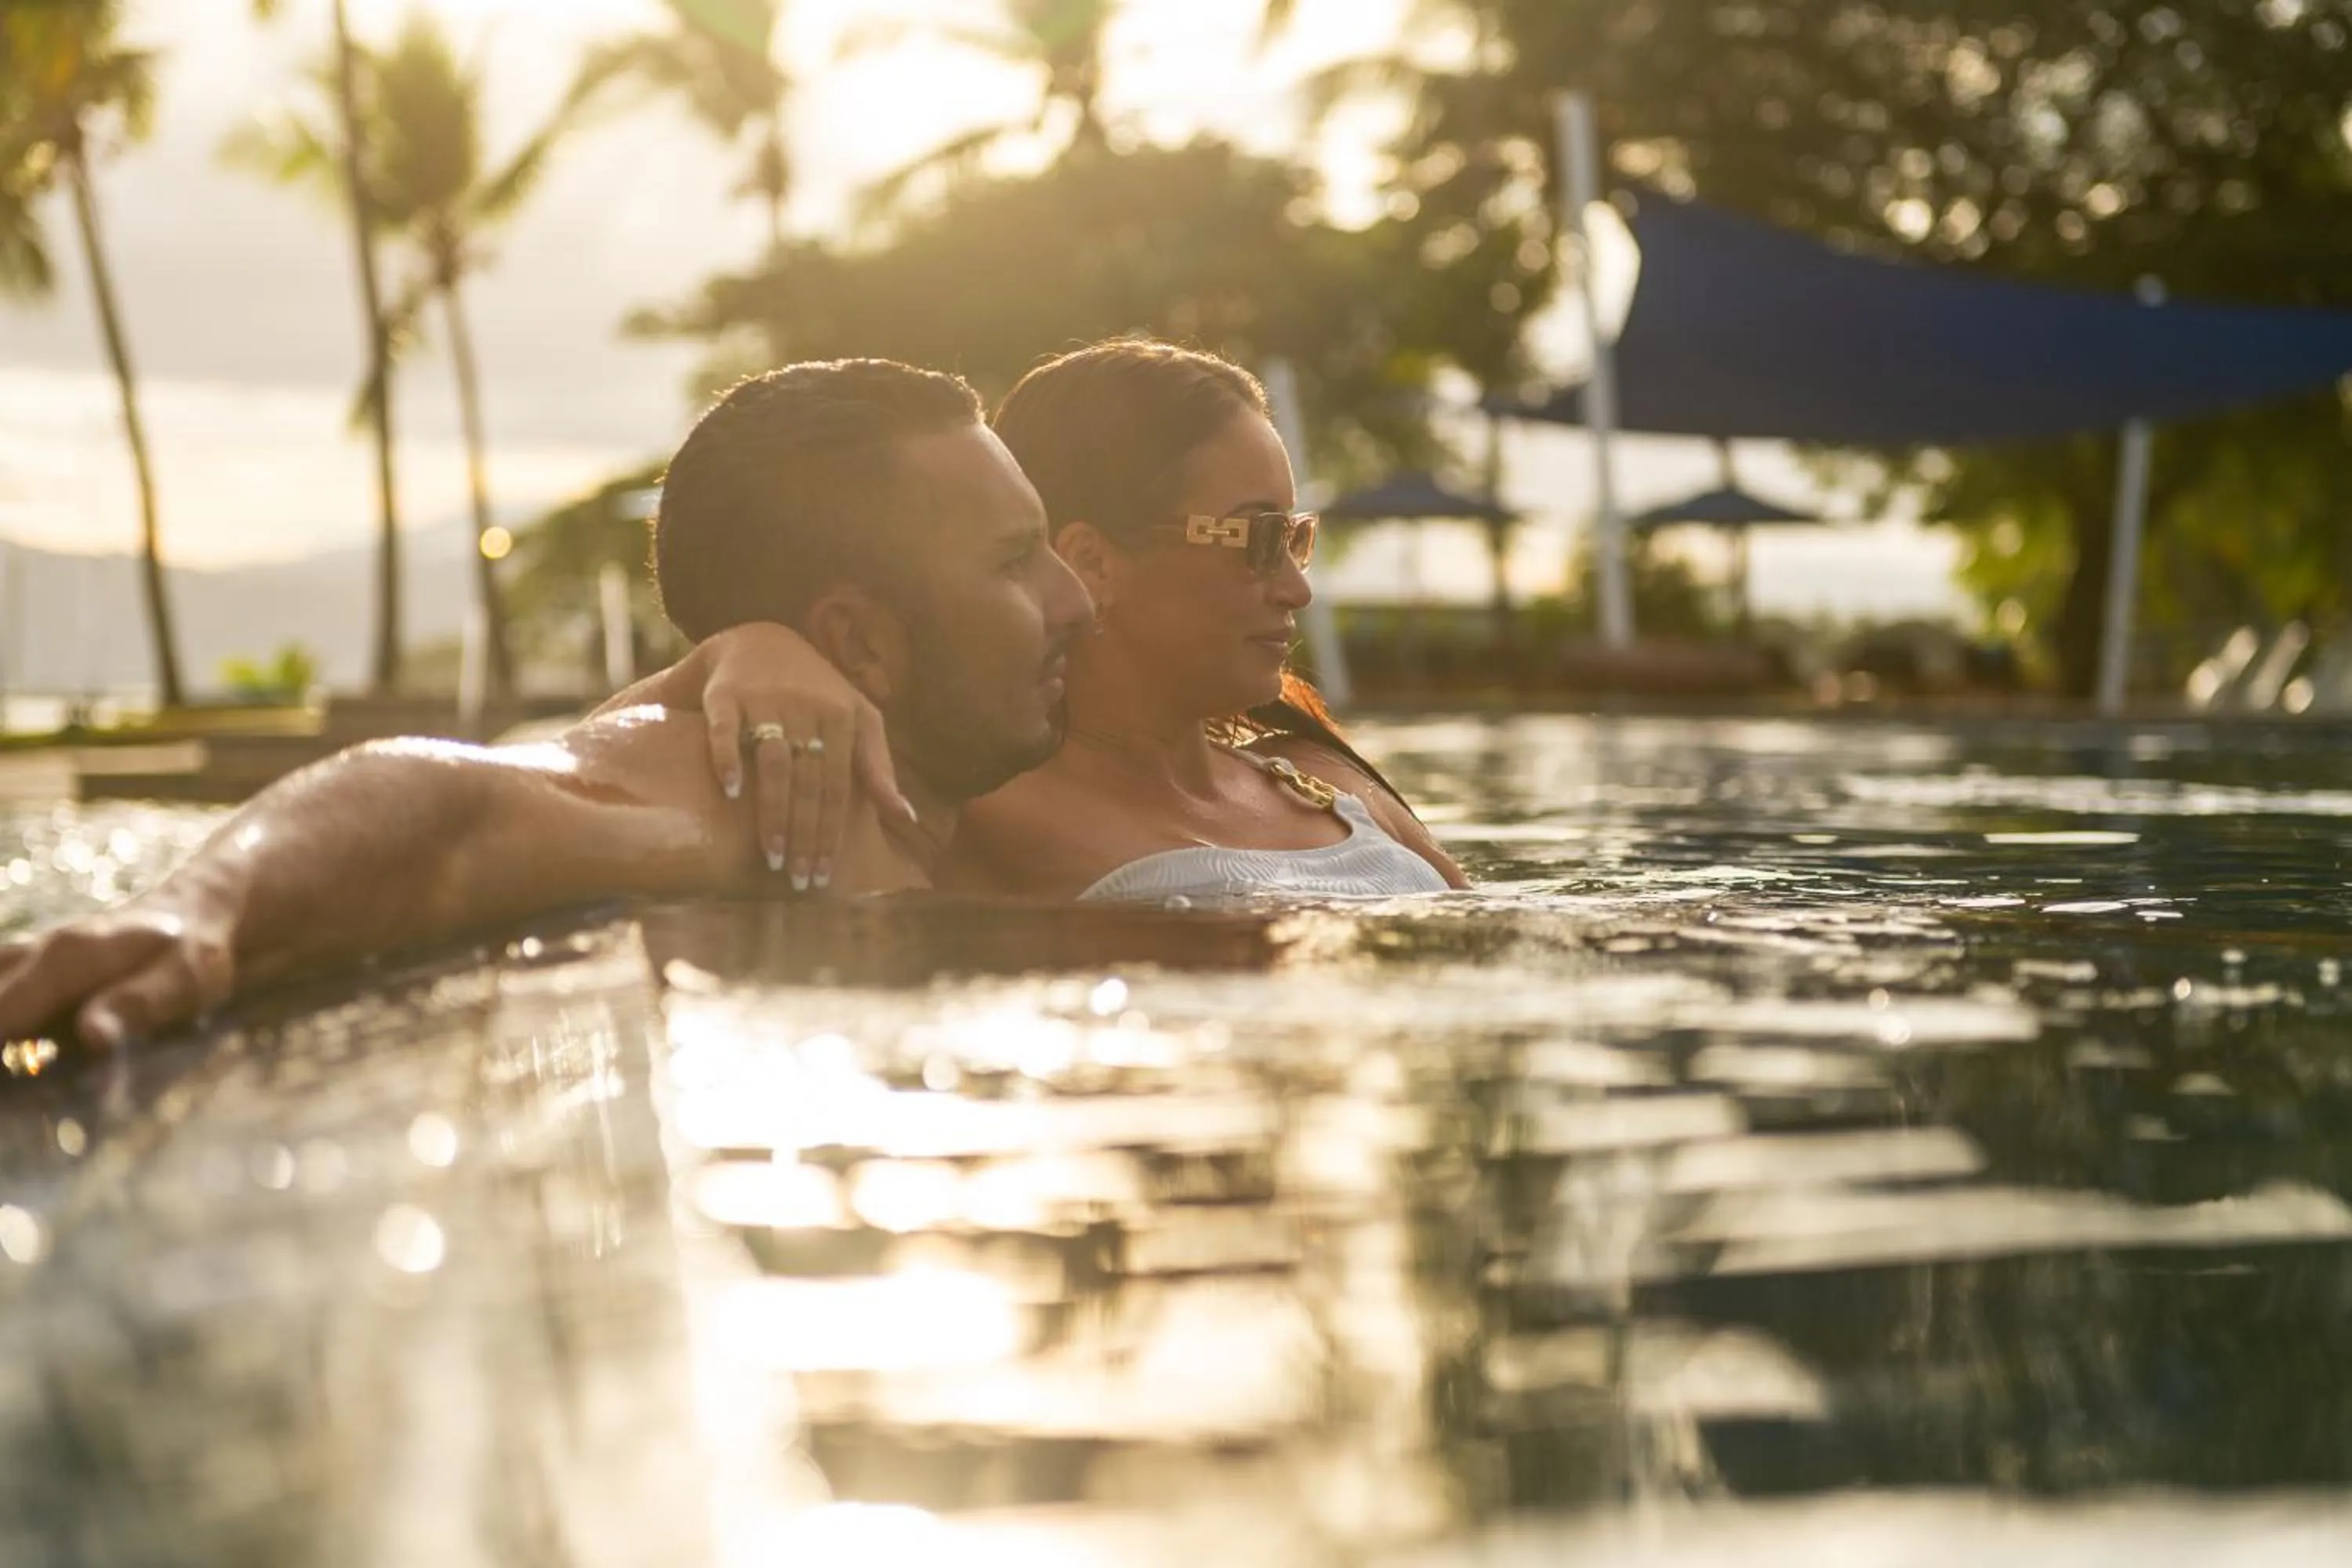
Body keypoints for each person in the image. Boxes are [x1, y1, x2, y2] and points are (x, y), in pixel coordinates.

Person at [0, 359, 1093, 1052]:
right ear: (859, 642)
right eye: (1015, 562)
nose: (1076, 600)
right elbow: (451, 801)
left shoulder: (934, 772)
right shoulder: (781, 793)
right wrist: (210, 906)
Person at [651, 339, 1468, 902]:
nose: (1296, 588)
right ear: (1096, 561)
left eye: (1297, 538)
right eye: (1256, 539)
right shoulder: (961, 815)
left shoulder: (1328, 779)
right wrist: (739, 652)